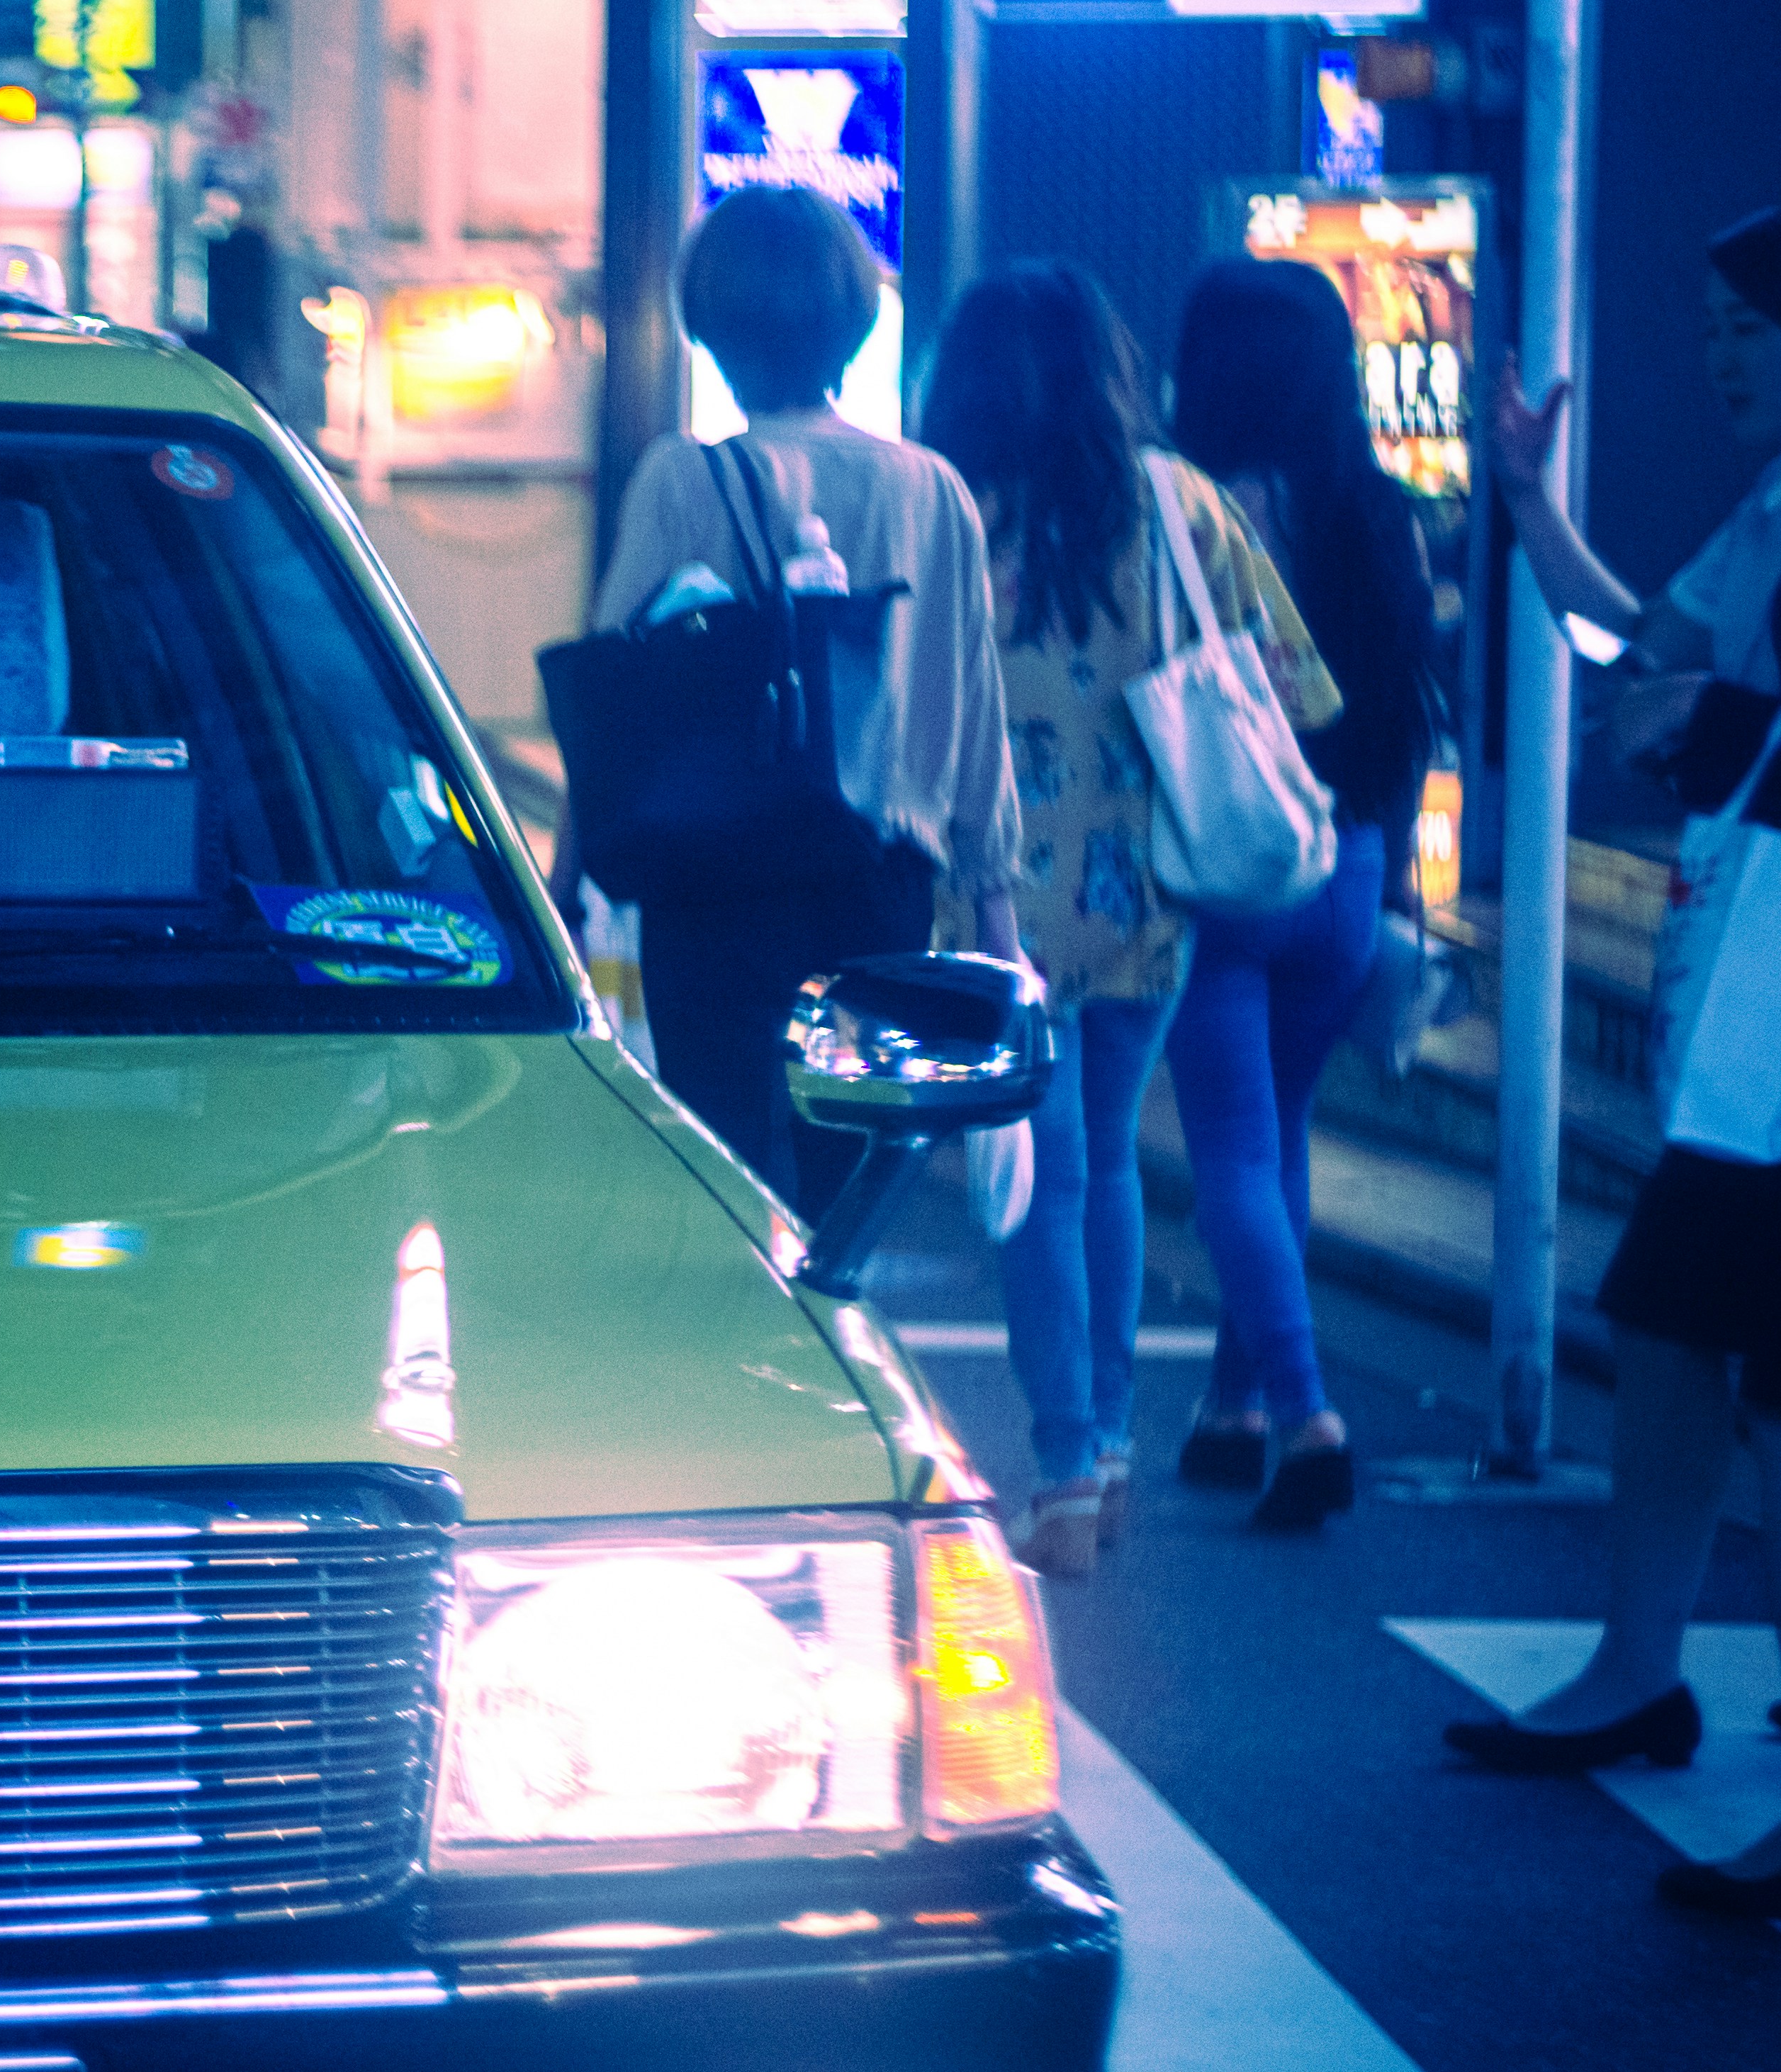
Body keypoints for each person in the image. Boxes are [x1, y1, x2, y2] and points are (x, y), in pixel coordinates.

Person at [1439, 203, 1781, 1920]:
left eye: (1750, 326)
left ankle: (1642, 1660)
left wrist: (1717, 727)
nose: (1723, 353)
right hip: (1751, 1007)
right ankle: (1638, 1659)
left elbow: (1710, 703)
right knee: (1675, 1314)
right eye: (1716, 326)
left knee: (1688, 1315)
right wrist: (1529, 504)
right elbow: (1647, 643)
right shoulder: (1770, 505)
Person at [586, 184, 1024, 1211]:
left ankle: (743, 1361)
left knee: (727, 1176)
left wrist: (576, 874)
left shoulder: (680, 481)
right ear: (853, 325)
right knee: (850, 1193)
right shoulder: (930, 490)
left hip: (712, 884)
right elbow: (972, 716)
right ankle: (838, 1362)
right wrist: (996, 910)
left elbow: (617, 690)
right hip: (877, 888)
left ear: (714, 331)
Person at [916, 262, 1218, 1572]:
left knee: (1045, 1176)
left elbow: (907, 714)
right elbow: (1281, 675)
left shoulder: (951, 518)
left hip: (1000, 903)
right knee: (1105, 1160)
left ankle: (1065, 1466)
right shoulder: (1178, 504)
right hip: (1146, 891)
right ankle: (1110, 1447)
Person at [1157, 262, 1424, 1529]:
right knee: (1281, 1133)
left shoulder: (1180, 511)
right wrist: (1407, 892)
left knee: (1233, 1155)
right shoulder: (1377, 513)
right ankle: (1235, 1406)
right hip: (1349, 869)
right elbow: (1409, 713)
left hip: (1221, 874)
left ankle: (1310, 1410)